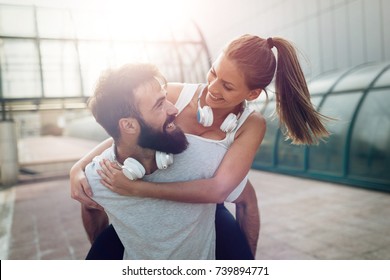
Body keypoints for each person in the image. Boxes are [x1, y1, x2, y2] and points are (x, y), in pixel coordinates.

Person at [71, 34, 331, 259]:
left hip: (206, 206)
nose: (212, 88)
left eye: (227, 86)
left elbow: (219, 190)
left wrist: (137, 189)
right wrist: (79, 167)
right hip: (148, 204)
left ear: (252, 94)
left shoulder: (251, 124)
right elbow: (132, 132)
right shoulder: (174, 94)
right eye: (214, 72)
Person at [73, 62, 258, 259]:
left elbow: (245, 200)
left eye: (166, 98)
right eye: (160, 104)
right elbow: (89, 205)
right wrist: (77, 169)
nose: (175, 110)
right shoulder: (98, 177)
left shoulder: (205, 159)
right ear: (127, 125)